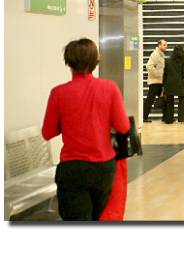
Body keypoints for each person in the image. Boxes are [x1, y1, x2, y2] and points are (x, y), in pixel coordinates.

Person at [42, 38, 130, 221]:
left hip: (73, 169)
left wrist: (66, 121)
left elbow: (47, 132)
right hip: (104, 169)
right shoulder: (110, 88)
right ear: (95, 61)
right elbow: (123, 126)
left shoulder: (58, 93)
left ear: (68, 62)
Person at [163, 45, 184, 124]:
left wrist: (163, 85)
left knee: (170, 101)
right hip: (179, 84)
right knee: (181, 101)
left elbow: (165, 74)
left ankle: (169, 119)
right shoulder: (183, 61)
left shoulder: (168, 61)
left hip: (169, 84)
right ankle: (181, 118)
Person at [143, 39, 168, 122]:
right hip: (155, 82)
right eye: (164, 45)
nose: (166, 46)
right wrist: (158, 74)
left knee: (165, 99)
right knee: (150, 100)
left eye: (166, 45)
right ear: (159, 45)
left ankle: (166, 117)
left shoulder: (161, 55)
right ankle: (144, 117)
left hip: (160, 82)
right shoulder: (155, 54)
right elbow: (149, 66)